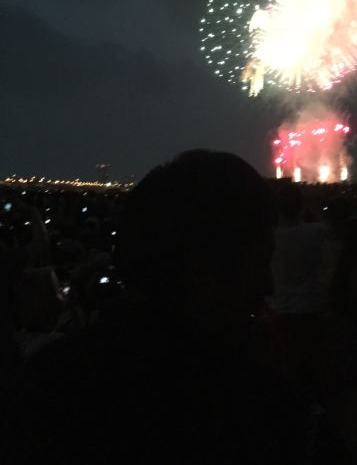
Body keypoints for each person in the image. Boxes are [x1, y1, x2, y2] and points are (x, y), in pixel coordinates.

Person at [7, 150, 337, 464]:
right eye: (259, 263)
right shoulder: (264, 416)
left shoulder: (44, 384)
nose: (268, 286)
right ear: (203, 272)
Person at [267, 183, 328, 391]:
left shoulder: (270, 237)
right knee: (314, 364)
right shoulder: (316, 231)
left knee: (286, 366)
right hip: (312, 307)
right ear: (301, 206)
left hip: (280, 310)